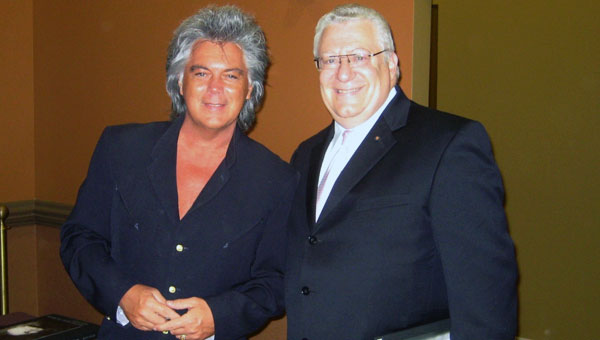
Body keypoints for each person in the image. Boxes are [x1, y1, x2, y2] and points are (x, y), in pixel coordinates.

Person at [60, 5, 297, 340]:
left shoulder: (277, 180)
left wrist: (219, 315)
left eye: (231, 75)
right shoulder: (121, 148)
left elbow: (274, 280)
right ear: (180, 82)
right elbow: (80, 239)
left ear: (250, 90)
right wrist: (123, 293)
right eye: (201, 73)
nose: (215, 88)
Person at [284, 4, 518, 340]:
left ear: (391, 64)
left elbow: (487, 300)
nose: (343, 72)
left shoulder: (450, 145)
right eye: (330, 59)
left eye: (360, 56)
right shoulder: (305, 155)